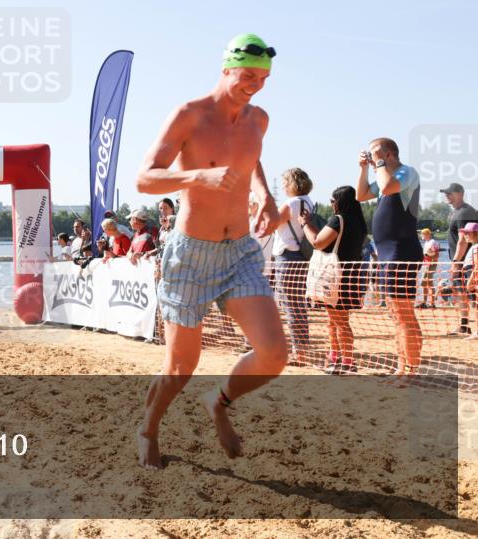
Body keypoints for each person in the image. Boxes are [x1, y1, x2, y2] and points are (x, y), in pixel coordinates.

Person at [134, 32, 287, 469]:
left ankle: (217, 401)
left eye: (262, 77)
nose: (254, 84)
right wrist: (199, 177)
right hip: (191, 256)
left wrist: (265, 195)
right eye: (246, 75)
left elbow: (251, 157)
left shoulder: (258, 119)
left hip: (239, 251)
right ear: (226, 69)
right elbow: (144, 178)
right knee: (180, 367)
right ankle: (148, 428)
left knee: (274, 353)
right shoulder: (190, 115)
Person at [356, 138, 424, 380]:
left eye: (377, 153)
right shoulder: (383, 174)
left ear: (388, 154)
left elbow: (387, 188)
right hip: (386, 253)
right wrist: (364, 168)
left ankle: (412, 370)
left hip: (401, 250)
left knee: (404, 312)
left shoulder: (407, 172)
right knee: (394, 312)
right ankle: (401, 366)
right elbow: (361, 195)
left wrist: (379, 163)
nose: (374, 158)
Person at [300, 185, 368, 374]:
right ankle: (335, 357)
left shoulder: (339, 220)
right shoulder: (359, 222)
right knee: (335, 320)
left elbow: (317, 242)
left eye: (332, 200)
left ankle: (345, 361)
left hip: (336, 278)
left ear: (339, 201)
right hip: (350, 276)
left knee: (339, 321)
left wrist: (305, 223)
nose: (330, 204)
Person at [271, 167, 315, 366]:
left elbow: (270, 223)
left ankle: (299, 353)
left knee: (291, 306)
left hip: (287, 257)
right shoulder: (308, 202)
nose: (282, 185)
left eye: (285, 181)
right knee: (298, 306)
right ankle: (302, 350)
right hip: (301, 255)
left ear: (292, 183)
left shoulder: (292, 203)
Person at [442, 183, 478, 335]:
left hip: (468, 261)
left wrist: (456, 263)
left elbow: (463, 240)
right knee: (461, 293)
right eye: (446, 193)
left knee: (472, 295)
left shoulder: (465, 212)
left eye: (450, 193)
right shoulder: (457, 212)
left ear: (460, 194)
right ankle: (464, 326)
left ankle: (472, 328)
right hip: (462, 261)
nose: (447, 195)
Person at [460, 223, 478, 340]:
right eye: (464, 232)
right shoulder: (474, 246)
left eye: (468, 232)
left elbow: (477, 265)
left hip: (474, 277)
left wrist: (470, 280)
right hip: (472, 274)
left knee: (476, 305)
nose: (465, 235)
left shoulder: (476, 247)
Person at [419, 228, 439, 309]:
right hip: (425, 264)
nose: (421, 236)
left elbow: (436, 255)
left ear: (428, 234)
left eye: (423, 234)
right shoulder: (427, 242)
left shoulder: (433, 242)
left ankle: (432, 304)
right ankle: (424, 303)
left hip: (431, 265)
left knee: (429, 284)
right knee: (423, 284)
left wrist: (428, 255)